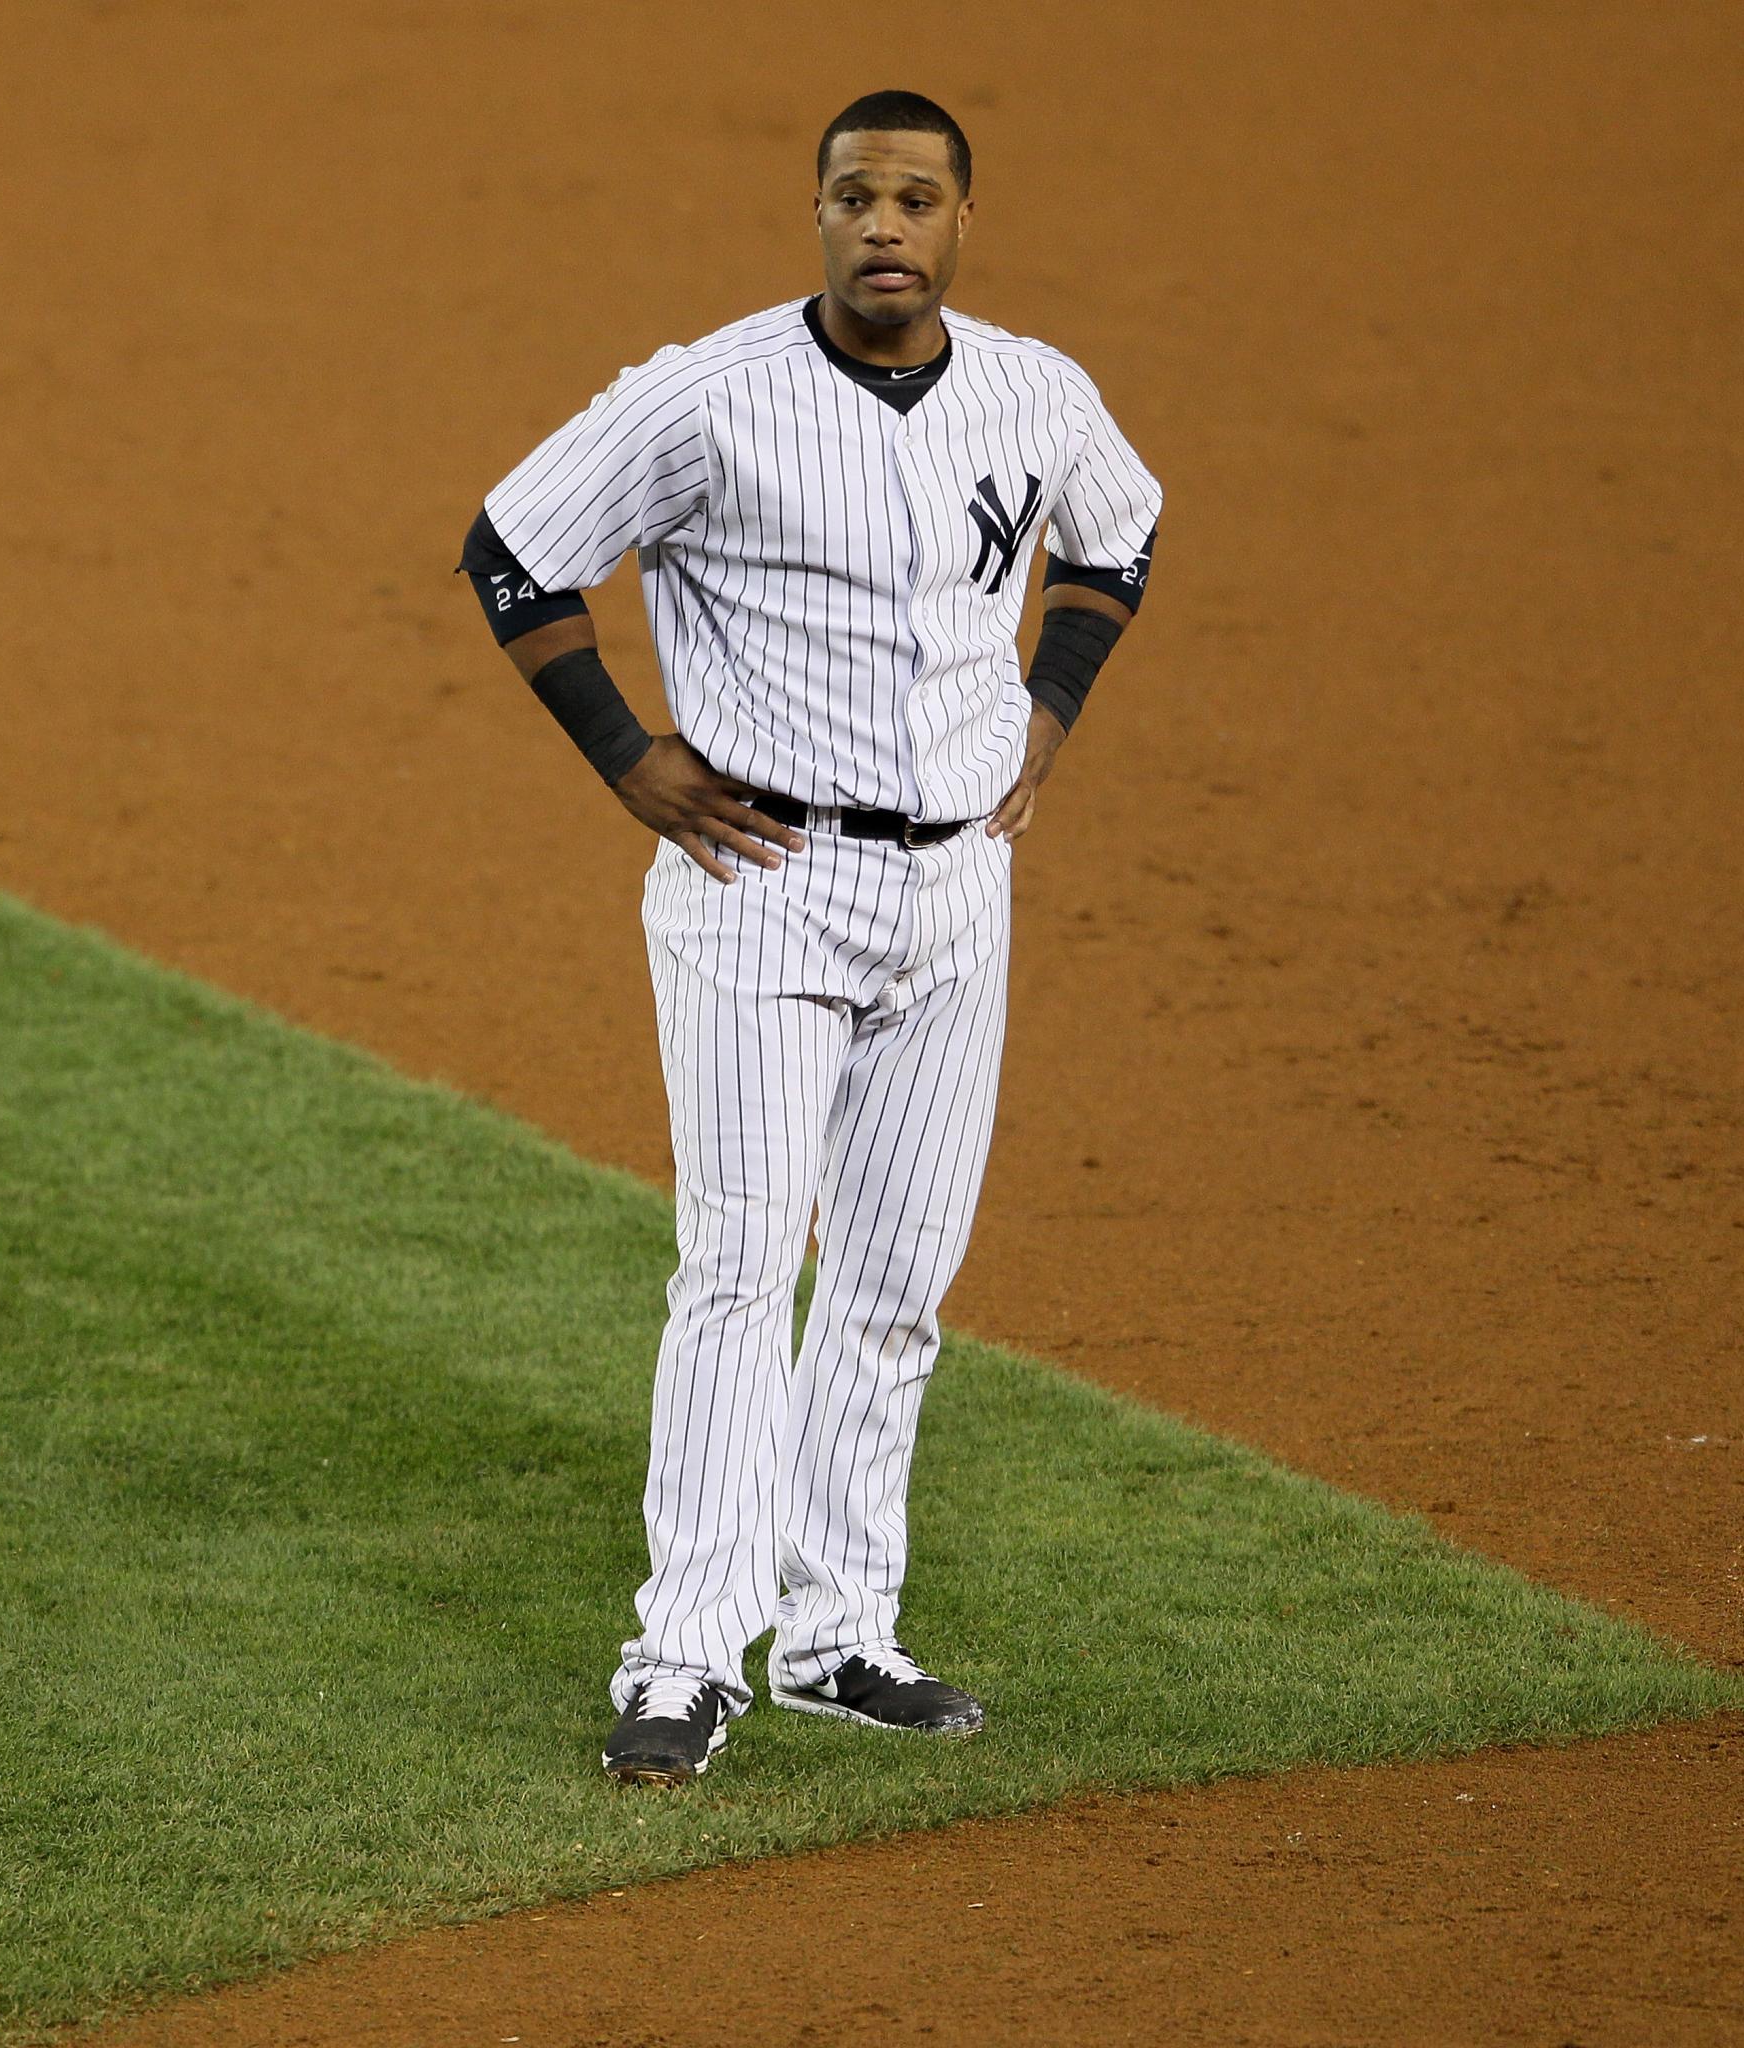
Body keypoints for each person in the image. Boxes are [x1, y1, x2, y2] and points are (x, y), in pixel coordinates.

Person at [460, 88, 1163, 1786]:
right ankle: (686, 1655)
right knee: (740, 1268)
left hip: (955, 895)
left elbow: (1121, 535)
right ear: (820, 211)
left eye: (917, 199)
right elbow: (509, 552)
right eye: (856, 196)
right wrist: (629, 759)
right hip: (762, 883)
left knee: (899, 1280)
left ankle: (840, 1632)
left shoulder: (1032, 390)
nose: (884, 226)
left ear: (960, 221)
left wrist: (1049, 711)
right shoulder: (710, 397)